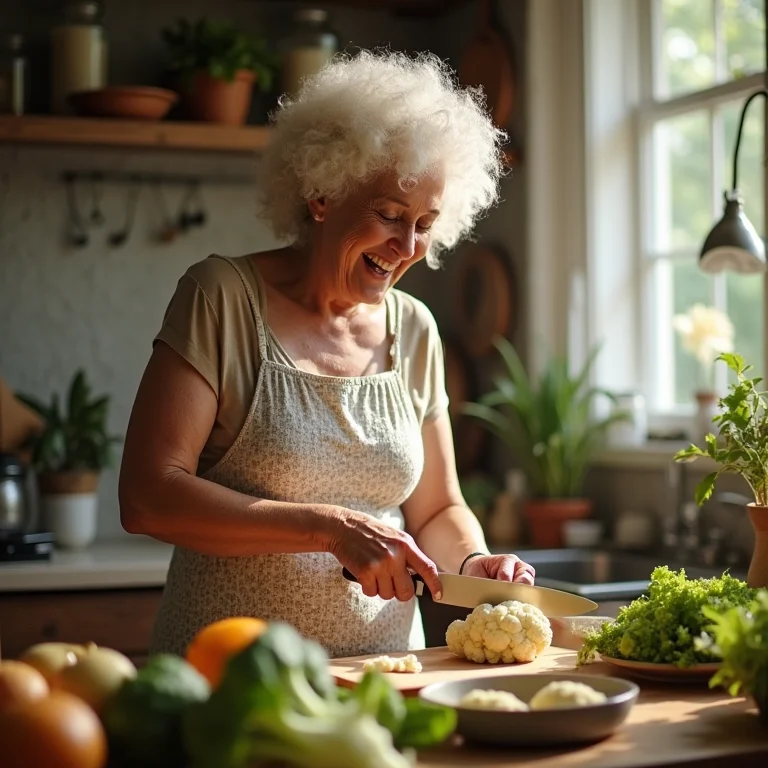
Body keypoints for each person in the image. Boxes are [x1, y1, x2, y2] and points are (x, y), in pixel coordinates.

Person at [119, 50, 535, 659]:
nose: (407, 246)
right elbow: (148, 495)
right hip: (226, 680)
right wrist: (330, 528)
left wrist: (475, 563)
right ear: (321, 194)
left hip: (387, 677)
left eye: (426, 223)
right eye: (390, 215)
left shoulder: (414, 328)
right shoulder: (222, 298)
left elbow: (439, 508)